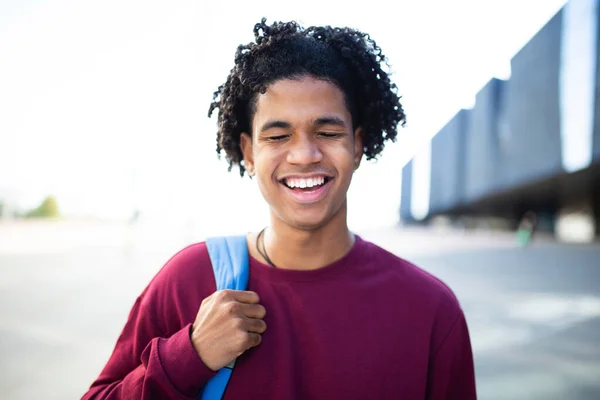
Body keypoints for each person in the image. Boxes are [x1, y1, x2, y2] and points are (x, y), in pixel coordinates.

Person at [82, 18, 476, 399]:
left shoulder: (430, 311)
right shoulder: (187, 281)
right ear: (249, 152)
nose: (304, 154)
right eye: (278, 135)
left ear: (357, 145)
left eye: (327, 132)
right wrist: (189, 357)